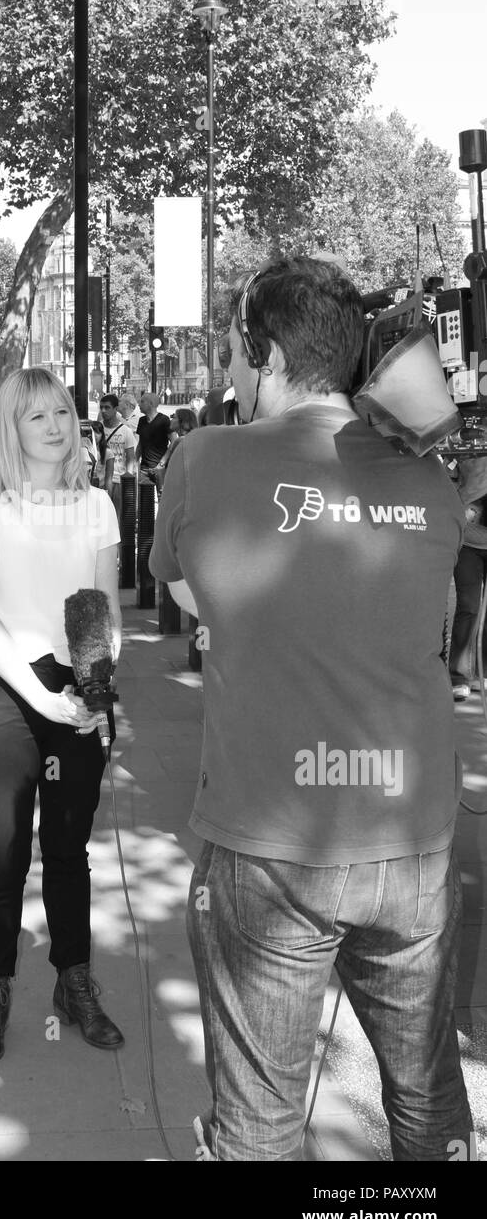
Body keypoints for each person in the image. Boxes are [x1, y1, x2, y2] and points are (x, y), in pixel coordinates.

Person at [150, 256, 473, 1162]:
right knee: (427, 1101)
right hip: (412, 837)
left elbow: (180, 590)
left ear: (266, 352)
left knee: (261, 1126)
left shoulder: (204, 458)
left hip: (270, 843)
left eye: (234, 352)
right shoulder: (429, 478)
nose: (230, 372)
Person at [0, 366, 124, 1065]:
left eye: (62, 412)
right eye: (37, 416)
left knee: (68, 846)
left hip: (73, 686)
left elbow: (104, 613)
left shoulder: (98, 506)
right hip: (3, 682)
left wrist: (94, 693)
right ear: (11, 429)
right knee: (2, 850)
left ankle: (73, 980)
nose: (56, 426)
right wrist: (42, 698)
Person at [448, 455, 487, 701]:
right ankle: (459, 676)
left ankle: (483, 673)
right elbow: (446, 478)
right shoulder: (466, 439)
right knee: (469, 605)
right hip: (469, 541)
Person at [97, 393, 137, 524]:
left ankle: (118, 543)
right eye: (101, 407)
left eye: (107, 407)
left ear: (115, 409)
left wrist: (129, 480)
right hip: (101, 479)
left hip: (119, 480)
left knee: (117, 517)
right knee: (101, 517)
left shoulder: (126, 431)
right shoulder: (97, 429)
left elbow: (131, 457)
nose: (103, 410)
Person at [154, 407, 199, 485]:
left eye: (174, 417)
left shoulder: (180, 440)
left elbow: (174, 468)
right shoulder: (193, 438)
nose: (171, 420)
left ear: (183, 422)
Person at [136, 393, 170, 492]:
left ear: (150, 404)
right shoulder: (142, 420)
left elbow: (174, 441)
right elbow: (140, 444)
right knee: (144, 499)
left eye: (142, 401)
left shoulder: (164, 420)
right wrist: (135, 461)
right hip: (144, 468)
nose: (139, 404)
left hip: (159, 468)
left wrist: (163, 462)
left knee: (162, 498)